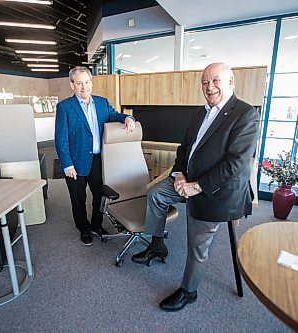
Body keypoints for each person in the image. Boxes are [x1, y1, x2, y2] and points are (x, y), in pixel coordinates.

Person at [131, 62, 260, 312]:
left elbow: (235, 165)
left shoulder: (245, 115)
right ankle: (157, 245)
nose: (209, 87)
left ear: (230, 82)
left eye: (215, 81)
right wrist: (179, 176)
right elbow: (184, 148)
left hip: (216, 191)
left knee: (196, 243)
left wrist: (196, 187)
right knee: (156, 194)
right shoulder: (200, 113)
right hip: (186, 181)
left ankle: (189, 291)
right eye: (204, 82)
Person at [55, 66, 135, 246]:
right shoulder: (65, 107)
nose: (84, 87)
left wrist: (127, 118)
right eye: (79, 83)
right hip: (75, 163)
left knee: (99, 195)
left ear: (91, 82)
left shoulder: (102, 102)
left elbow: (115, 115)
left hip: (98, 160)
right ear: (72, 85)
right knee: (78, 198)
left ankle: (96, 225)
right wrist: (67, 164)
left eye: (87, 82)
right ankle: (83, 228)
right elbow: (61, 139)